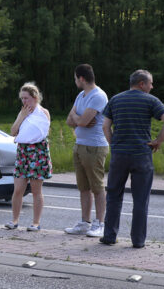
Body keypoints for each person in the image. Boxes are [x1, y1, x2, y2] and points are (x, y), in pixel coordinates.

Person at [100, 70, 164, 248]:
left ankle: (110, 236)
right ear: (142, 84)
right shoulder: (151, 100)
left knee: (113, 196)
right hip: (142, 155)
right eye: (150, 83)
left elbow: (105, 125)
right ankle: (138, 241)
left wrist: (114, 145)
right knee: (141, 200)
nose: (152, 86)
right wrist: (158, 141)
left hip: (119, 155)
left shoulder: (116, 99)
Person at [65, 64, 110, 237]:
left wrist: (79, 119)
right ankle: (85, 222)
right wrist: (79, 119)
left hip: (95, 146)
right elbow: (71, 120)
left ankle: (100, 224)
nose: (75, 81)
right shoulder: (80, 95)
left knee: (97, 187)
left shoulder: (98, 96)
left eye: (75, 78)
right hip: (80, 144)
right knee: (83, 187)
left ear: (81, 78)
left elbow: (82, 121)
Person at [6, 82, 52, 232]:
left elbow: (43, 132)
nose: (24, 102)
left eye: (26, 98)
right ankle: (14, 220)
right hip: (23, 151)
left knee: (36, 190)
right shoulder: (22, 113)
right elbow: (13, 131)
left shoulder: (43, 112)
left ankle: (36, 222)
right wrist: (22, 117)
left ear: (35, 97)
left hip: (37, 151)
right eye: (22, 99)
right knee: (18, 188)